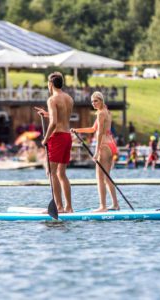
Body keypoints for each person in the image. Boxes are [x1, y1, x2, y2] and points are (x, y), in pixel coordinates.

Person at [71, 91, 119, 212]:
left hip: (104, 146)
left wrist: (97, 151)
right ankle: (115, 204)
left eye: (96, 101)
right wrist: (77, 129)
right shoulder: (107, 112)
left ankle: (103, 206)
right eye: (92, 101)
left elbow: (100, 134)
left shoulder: (100, 114)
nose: (93, 103)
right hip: (111, 145)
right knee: (107, 177)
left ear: (101, 100)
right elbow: (93, 129)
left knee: (99, 177)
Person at [35, 72, 74, 213]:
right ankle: (69, 207)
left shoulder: (52, 100)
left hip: (57, 137)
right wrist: (47, 114)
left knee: (51, 172)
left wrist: (45, 139)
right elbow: (63, 117)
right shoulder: (69, 98)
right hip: (67, 136)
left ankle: (59, 207)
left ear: (51, 84)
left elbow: (54, 122)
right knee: (61, 173)